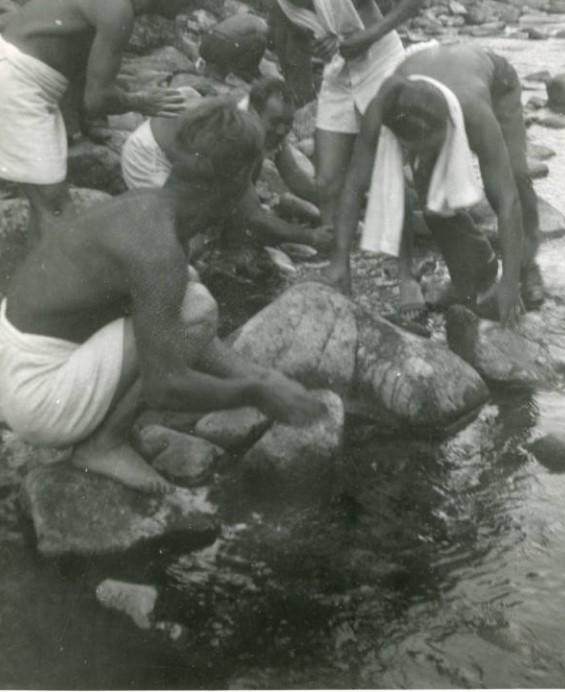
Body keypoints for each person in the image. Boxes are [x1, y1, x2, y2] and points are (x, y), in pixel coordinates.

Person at [0, 99, 323, 494]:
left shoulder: (148, 207)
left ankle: (105, 429)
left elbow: (167, 329)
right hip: (36, 397)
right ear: (241, 180)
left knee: (187, 301)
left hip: (15, 360)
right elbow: (162, 386)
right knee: (194, 307)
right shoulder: (158, 250)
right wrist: (256, 391)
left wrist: (260, 375)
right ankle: (103, 445)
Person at [0, 0, 207, 239]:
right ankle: (57, 284)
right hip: (17, 81)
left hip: (23, 80)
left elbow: (84, 77)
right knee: (54, 205)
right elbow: (96, 100)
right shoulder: (117, 10)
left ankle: (36, 280)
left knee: (45, 202)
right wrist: (140, 102)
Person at [321, 43, 545, 328]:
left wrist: (510, 284)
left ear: (449, 125)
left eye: (430, 148)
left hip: (496, 81)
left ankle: (527, 265)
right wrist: (340, 260)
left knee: (516, 175)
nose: (423, 157)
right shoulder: (383, 106)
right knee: (431, 194)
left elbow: (507, 201)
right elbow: (354, 184)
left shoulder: (475, 114)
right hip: (434, 72)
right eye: (415, 150)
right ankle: (471, 275)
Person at [250, 0, 426, 227]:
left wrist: (367, 37)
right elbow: (302, 49)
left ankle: (407, 250)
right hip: (340, 75)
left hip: (383, 64)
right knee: (327, 183)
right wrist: (318, 48)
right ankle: (334, 247)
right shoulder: (278, 4)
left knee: (391, 171)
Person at [121, 76, 332, 251]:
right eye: (276, 123)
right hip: (149, 154)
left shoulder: (268, 125)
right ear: (255, 112)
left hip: (182, 156)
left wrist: (335, 201)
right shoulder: (236, 130)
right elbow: (254, 215)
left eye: (288, 122)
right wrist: (311, 237)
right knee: (179, 239)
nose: (281, 130)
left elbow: (294, 175)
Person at [200, 13, 269, 83]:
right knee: (260, 40)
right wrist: (257, 75)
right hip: (221, 48)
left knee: (237, 42)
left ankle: (214, 71)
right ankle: (242, 72)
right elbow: (255, 52)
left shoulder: (244, 16)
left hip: (206, 46)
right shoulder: (262, 23)